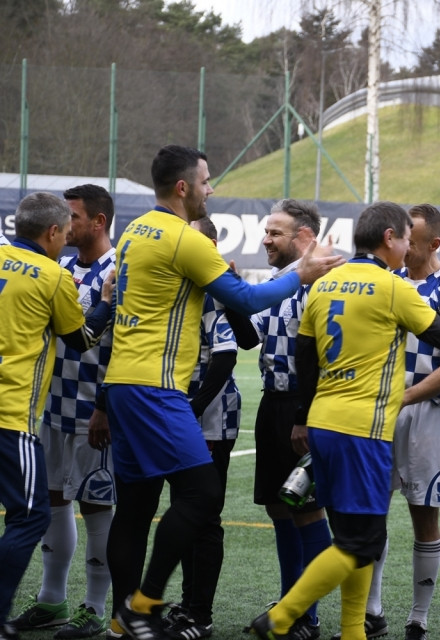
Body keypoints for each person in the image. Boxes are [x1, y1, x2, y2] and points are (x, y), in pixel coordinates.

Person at [102, 145, 344, 640]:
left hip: (121, 384)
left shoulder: (133, 232)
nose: (212, 189)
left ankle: (122, 618)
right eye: (208, 181)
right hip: (157, 386)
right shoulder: (184, 240)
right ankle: (143, 606)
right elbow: (248, 300)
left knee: (134, 508)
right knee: (203, 494)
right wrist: (301, 274)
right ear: (185, 187)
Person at [245, 200, 440, 640]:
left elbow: (304, 356)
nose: (406, 248)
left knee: (355, 533)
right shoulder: (392, 286)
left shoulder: (326, 283)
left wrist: (303, 418)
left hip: (322, 424)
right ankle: (284, 614)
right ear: (389, 239)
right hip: (363, 430)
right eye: (403, 238)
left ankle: (352, 630)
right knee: (358, 541)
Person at [341, 203, 440, 640]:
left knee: (424, 516)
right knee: (371, 510)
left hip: (426, 415)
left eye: (409, 241)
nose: (399, 245)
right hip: (377, 412)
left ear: (432, 244)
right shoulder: (387, 280)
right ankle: (372, 609)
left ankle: (418, 617)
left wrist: (405, 397)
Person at [0, 192, 113, 640]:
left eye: (76, 218)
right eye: (65, 222)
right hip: (42, 408)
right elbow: (80, 337)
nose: (69, 228)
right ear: (51, 231)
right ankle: (52, 600)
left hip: (92, 409)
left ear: (98, 222)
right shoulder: (57, 271)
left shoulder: (118, 267)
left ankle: (97, 606)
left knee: (96, 503)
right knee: (47, 505)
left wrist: (105, 404)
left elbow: (119, 344)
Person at [231, 199, 335, 640]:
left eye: (275, 233)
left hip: (303, 408)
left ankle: (306, 617)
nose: (265, 239)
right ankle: (290, 602)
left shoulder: (324, 283)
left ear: (304, 238)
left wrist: (305, 416)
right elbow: (250, 339)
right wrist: (233, 294)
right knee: (280, 509)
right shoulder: (276, 282)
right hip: (271, 405)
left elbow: (323, 358)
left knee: (307, 512)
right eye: (266, 231)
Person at [157, 216, 243, 640]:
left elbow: (229, 351)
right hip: (182, 418)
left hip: (209, 422)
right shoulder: (186, 284)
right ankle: (188, 606)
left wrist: (193, 408)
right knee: (187, 510)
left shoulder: (211, 289)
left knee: (204, 516)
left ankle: (201, 615)